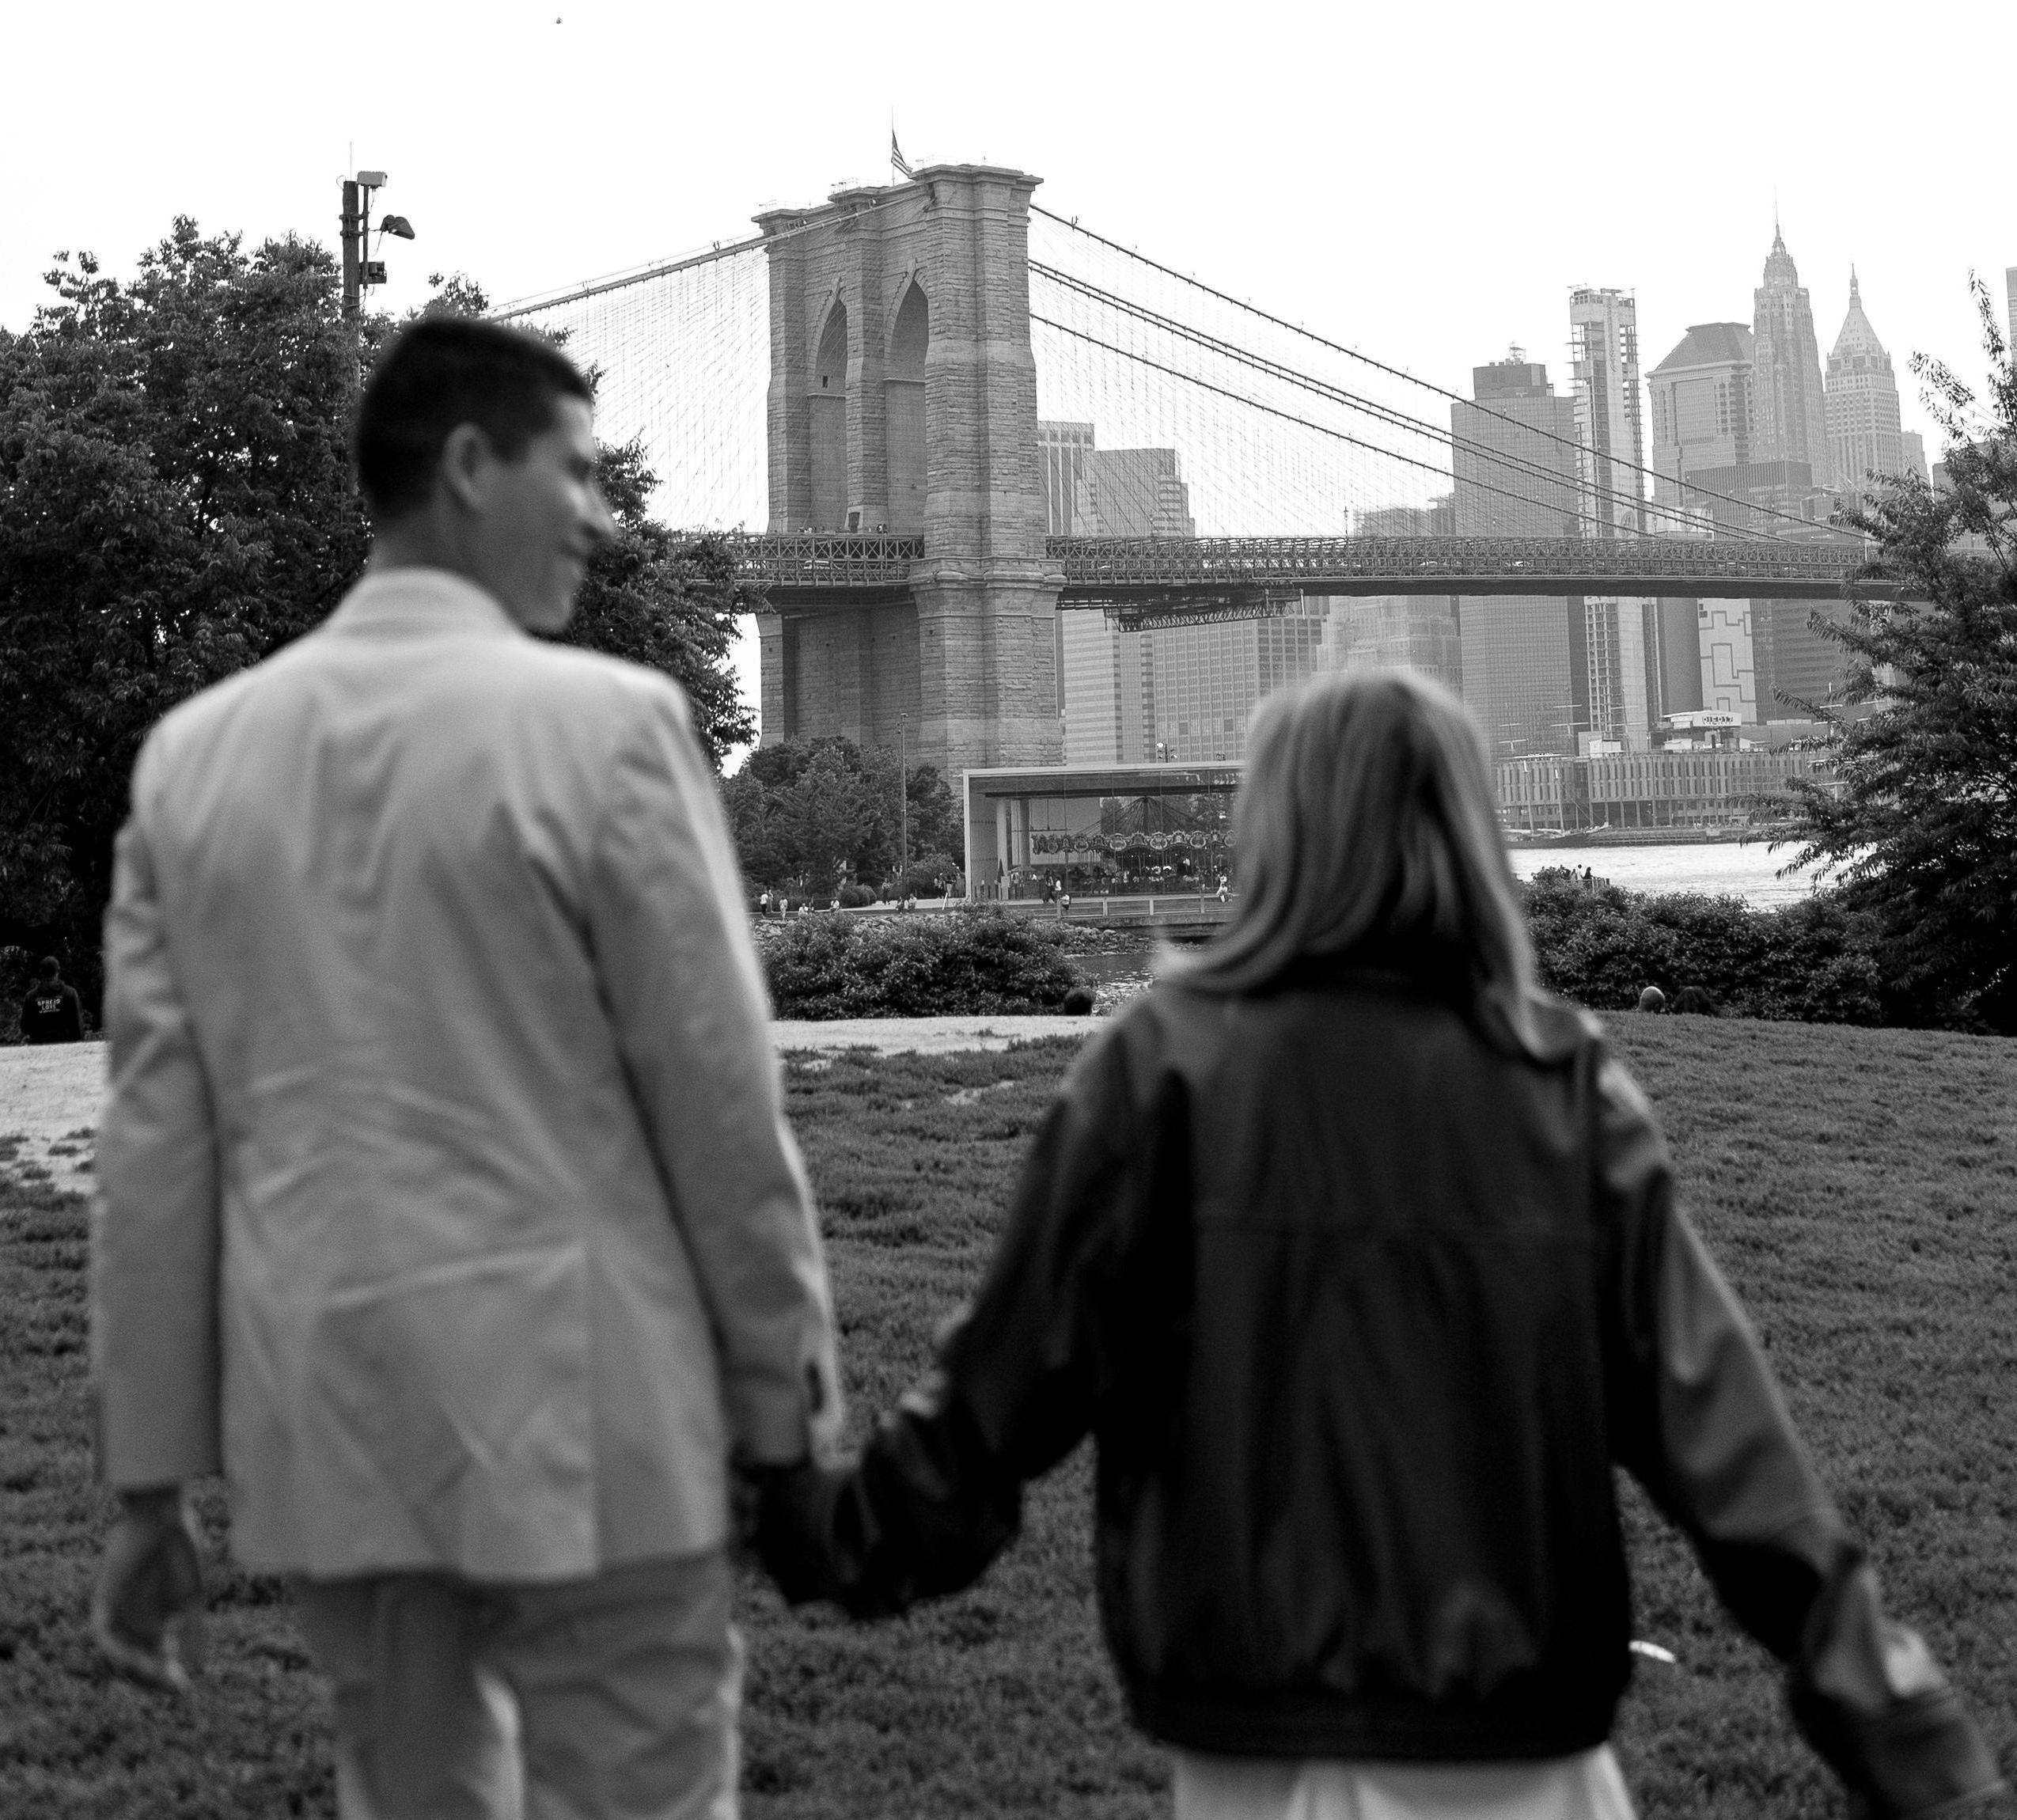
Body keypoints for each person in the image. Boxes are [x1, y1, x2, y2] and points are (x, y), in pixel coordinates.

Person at [751, 667, 2004, 1820]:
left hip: (1247, 1745)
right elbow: (1729, 1448)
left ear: (1275, 828)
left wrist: (823, 1527)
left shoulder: (1159, 1070)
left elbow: (998, 1394)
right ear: (1465, 828)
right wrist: (1907, 1735)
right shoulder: (1557, 1087)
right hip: (1521, 1748)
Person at [91, 317, 842, 1820]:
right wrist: (788, 1416)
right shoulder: (611, 729)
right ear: (468, 466)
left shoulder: (193, 758)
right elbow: (719, 1110)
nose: (602, 515)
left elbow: (156, 1147)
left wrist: (147, 1483)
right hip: (597, 1422)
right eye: (577, 471)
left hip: (336, 1426)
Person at [22, 954, 85, 1042]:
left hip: (56, 1046)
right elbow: (25, 1027)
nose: (49, 983)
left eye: (51, 979)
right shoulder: (70, 994)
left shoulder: (32, 997)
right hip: (50, 1046)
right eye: (47, 980)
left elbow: (25, 1027)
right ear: (57, 973)